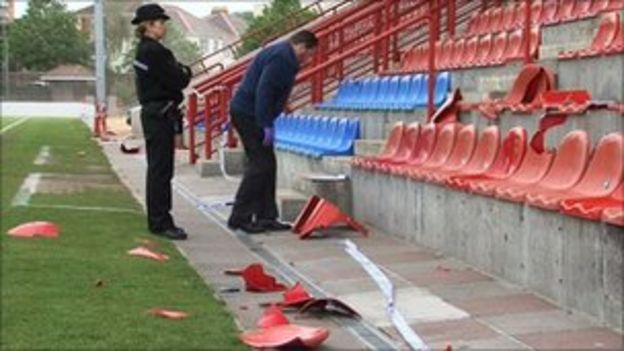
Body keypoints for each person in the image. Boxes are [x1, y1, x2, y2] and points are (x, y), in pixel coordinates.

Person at [227, 30, 318, 234]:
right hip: (249, 113)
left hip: (250, 111)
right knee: (260, 165)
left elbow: (274, 87)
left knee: (268, 164)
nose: (309, 58)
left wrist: (283, 104)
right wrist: (265, 123)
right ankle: (240, 216)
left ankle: (266, 215)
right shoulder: (283, 58)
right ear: (302, 47)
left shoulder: (280, 52)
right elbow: (264, 90)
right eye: (310, 53)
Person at [132, 3, 191, 240]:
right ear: (149, 25)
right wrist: (183, 72)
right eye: (161, 23)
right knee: (161, 170)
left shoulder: (144, 51)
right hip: (160, 112)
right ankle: (160, 220)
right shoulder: (155, 52)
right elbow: (178, 79)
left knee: (158, 169)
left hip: (155, 111)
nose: (164, 27)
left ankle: (159, 218)